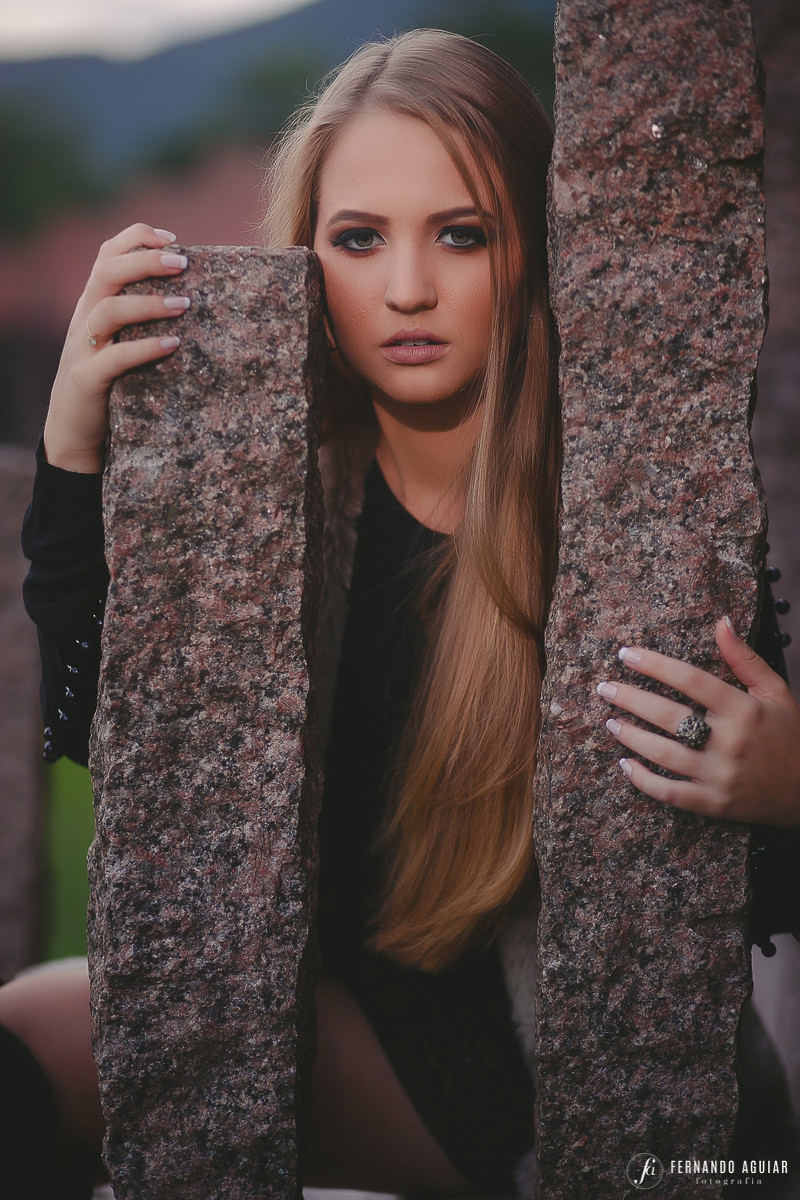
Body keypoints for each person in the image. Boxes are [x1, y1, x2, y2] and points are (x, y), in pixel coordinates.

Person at [3, 27, 800, 1200]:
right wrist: (75, 453)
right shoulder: (284, 493)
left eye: (461, 234)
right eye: (358, 238)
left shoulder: (630, 517)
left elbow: (727, 906)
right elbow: (106, 743)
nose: (407, 289)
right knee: (22, 1039)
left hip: (547, 1070)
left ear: (536, 247)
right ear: (305, 253)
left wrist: (786, 790)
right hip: (325, 988)